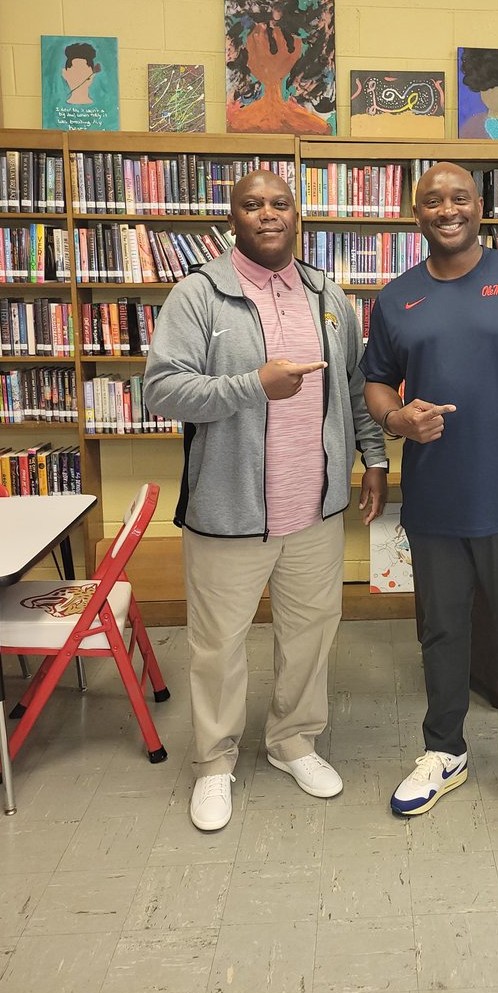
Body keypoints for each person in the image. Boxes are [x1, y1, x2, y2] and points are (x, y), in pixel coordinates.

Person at [143, 169, 387, 832]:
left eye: (280, 203)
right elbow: (160, 390)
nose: (269, 214)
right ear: (234, 218)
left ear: (297, 214)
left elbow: (355, 387)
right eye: (253, 205)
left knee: (309, 634)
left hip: (314, 511)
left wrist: (374, 459)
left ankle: (292, 742)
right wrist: (252, 385)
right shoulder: (199, 295)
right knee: (217, 647)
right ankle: (215, 762)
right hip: (227, 517)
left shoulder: (327, 294)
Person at [361, 162, 498, 837]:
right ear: (415, 212)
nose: (446, 209)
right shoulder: (396, 299)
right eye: (433, 200)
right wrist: (398, 420)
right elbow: (374, 388)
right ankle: (445, 752)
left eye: (459, 198)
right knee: (441, 633)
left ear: (479, 207)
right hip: (433, 503)